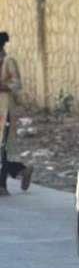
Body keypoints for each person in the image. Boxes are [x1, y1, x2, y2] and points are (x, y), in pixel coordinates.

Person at [0, 31, 32, 196]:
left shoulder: (8, 62)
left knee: (3, 148)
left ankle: (3, 186)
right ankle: (22, 170)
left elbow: (17, 84)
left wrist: (3, 86)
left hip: (6, 112)